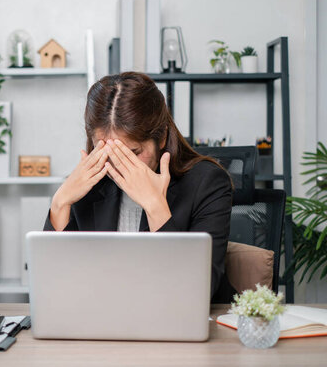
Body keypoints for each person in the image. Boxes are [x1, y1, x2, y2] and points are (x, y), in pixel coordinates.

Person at [44, 72, 233, 299]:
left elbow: (197, 292)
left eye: (132, 153)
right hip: (102, 320)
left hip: (179, 323)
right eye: (105, 151)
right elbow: (56, 287)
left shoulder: (207, 182)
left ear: (161, 137)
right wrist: (60, 203)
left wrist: (155, 206)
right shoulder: (89, 184)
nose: (117, 164)